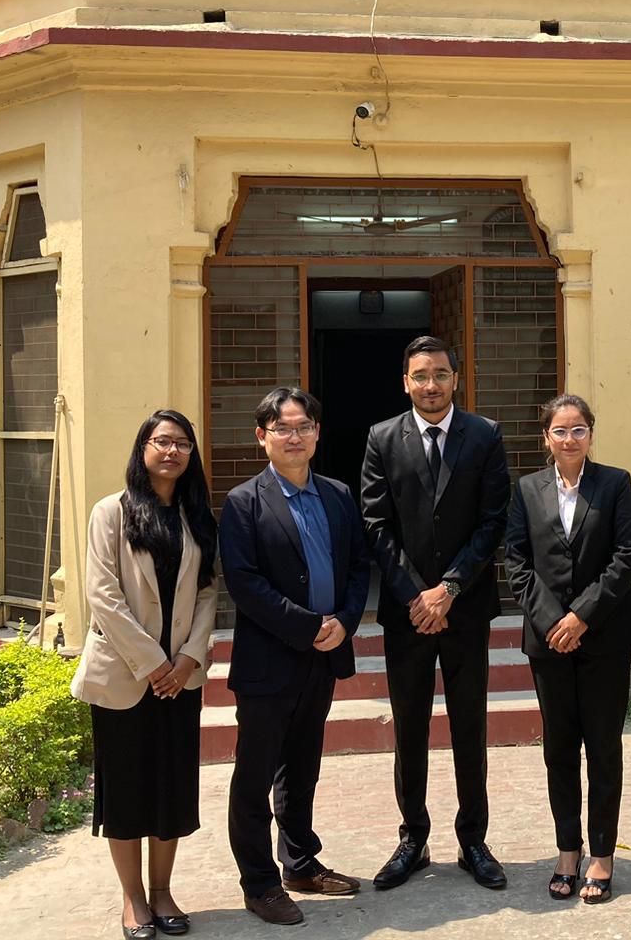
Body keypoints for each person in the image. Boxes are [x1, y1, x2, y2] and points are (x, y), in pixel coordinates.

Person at [360, 335, 512, 892]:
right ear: (406, 382)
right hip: (408, 614)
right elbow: (375, 525)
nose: (431, 385)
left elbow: (493, 521)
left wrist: (449, 588)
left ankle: (473, 839)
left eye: (441, 374)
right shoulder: (382, 438)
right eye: (420, 376)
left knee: (470, 724)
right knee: (410, 727)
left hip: (465, 608)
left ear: (456, 379)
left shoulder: (485, 435)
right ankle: (413, 838)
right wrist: (416, 597)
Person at [219, 388, 372, 927]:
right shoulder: (243, 502)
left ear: (317, 433)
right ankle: (259, 884)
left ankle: (301, 865)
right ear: (261, 436)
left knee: (302, 768)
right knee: (255, 775)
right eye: (282, 428)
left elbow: (358, 567)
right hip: (270, 660)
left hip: (323, 656)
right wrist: (308, 627)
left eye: (303, 426)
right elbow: (244, 583)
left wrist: (344, 622)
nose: (294, 436)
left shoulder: (338, 494)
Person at [70, 409, 219, 940]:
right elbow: (102, 595)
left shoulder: (196, 516)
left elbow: (207, 592)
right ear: (143, 449)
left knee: (171, 789)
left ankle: (162, 892)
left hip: (180, 677)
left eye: (182, 443)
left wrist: (189, 659)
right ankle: (133, 899)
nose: (172, 451)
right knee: (127, 792)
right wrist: (154, 663)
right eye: (162, 441)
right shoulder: (110, 512)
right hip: (125, 677)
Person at [504, 394, 631, 903]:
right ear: (546, 437)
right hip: (549, 642)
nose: (570, 439)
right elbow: (517, 562)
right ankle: (568, 851)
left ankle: (602, 855)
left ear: (591, 434)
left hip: (604, 636)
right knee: (559, 749)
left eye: (579, 429)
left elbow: (626, 557)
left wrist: (581, 616)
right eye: (560, 431)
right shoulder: (527, 489)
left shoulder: (615, 483)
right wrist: (552, 621)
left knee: (604, 747)